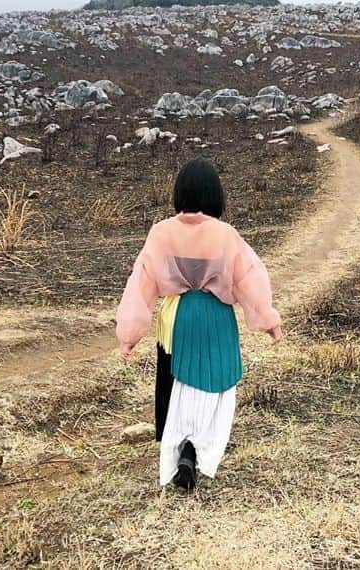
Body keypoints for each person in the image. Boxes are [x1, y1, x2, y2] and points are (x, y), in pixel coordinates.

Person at [116, 158, 282, 491]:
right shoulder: (225, 235)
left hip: (177, 316)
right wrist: (268, 320)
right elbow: (250, 278)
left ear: (180, 193)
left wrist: (129, 336)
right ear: (215, 195)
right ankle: (197, 449)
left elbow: (142, 282)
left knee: (175, 381)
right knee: (215, 386)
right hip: (216, 315)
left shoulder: (162, 233)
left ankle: (176, 446)